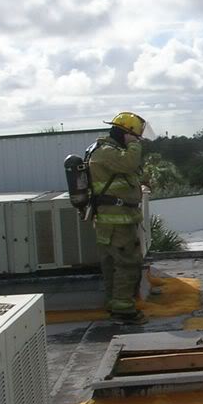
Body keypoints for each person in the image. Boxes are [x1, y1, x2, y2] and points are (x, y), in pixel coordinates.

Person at [87, 112, 154, 324]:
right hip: (117, 221)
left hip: (114, 220)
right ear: (126, 134)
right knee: (126, 265)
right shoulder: (106, 152)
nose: (137, 141)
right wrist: (134, 146)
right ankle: (124, 310)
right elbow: (129, 165)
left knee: (113, 266)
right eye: (135, 136)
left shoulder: (108, 151)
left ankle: (115, 304)